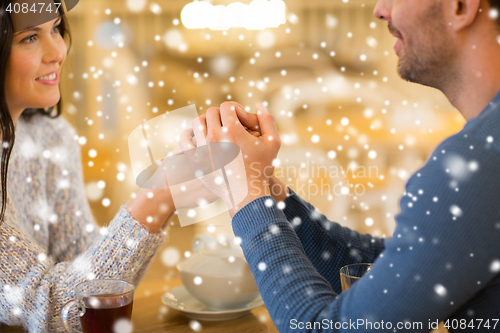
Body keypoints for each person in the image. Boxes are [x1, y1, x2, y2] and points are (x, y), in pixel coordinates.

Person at [187, 0, 500, 331]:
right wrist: (267, 191)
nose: (381, 9)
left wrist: (246, 198)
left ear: (461, 6)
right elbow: (398, 273)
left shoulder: (476, 166)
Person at [0, 2, 181, 332]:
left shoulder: (51, 137)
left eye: (55, 29)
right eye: (29, 38)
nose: (58, 51)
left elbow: (98, 284)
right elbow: (49, 305)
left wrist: (166, 194)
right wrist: (158, 196)